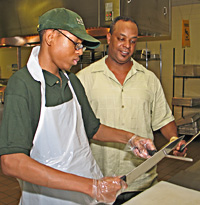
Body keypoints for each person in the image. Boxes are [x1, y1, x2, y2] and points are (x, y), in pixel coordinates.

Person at [0, 9, 156, 205]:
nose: (80, 51)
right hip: (49, 198)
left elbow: (93, 128)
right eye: (76, 43)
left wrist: (131, 139)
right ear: (50, 37)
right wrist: (92, 187)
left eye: (82, 45)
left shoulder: (72, 81)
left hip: (87, 193)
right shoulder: (23, 85)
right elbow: (11, 162)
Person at [77, 16, 187, 204]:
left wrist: (173, 140)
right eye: (121, 38)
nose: (127, 45)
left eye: (133, 41)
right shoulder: (85, 79)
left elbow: (164, 120)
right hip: (100, 182)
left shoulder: (149, 79)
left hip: (142, 182)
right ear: (109, 37)